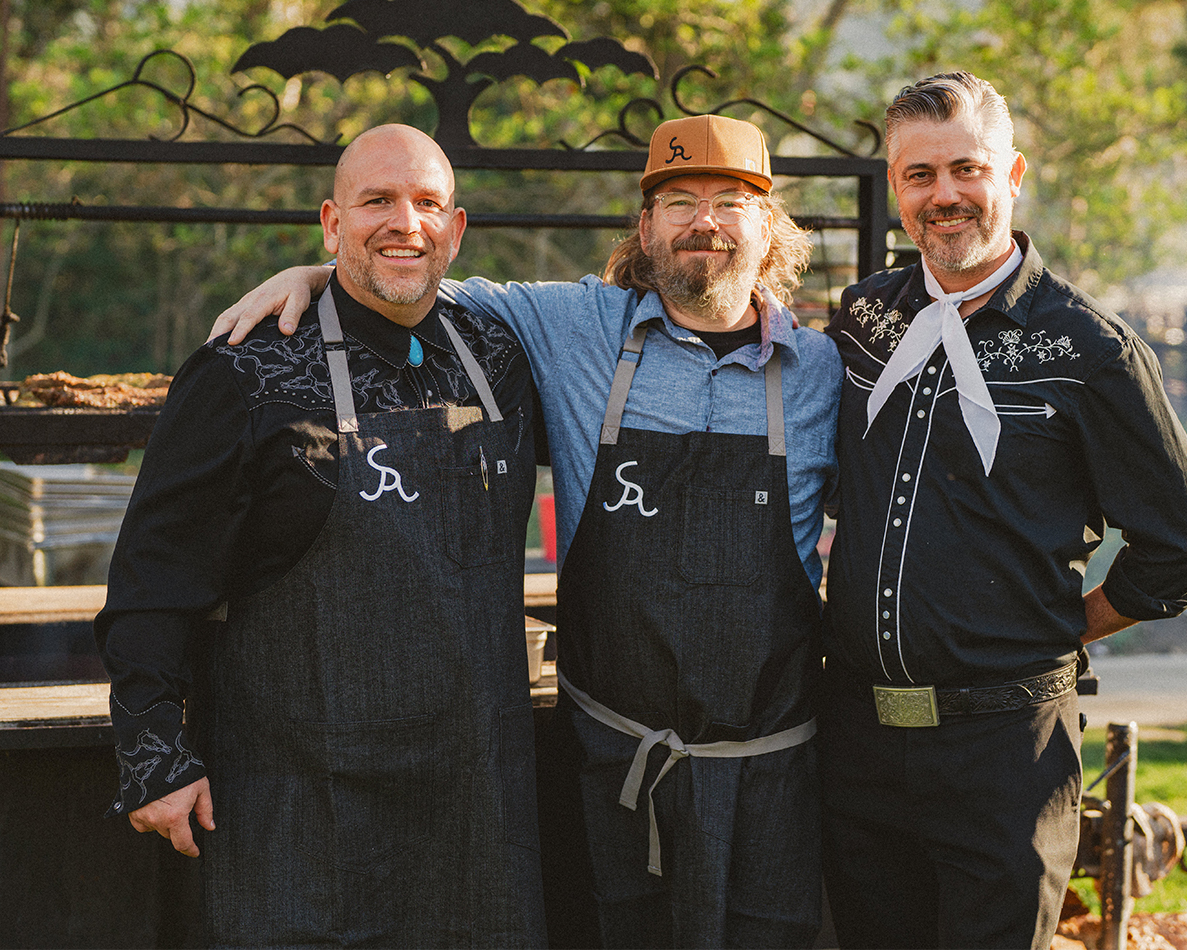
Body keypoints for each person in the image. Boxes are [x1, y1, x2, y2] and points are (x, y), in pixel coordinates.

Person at [211, 113, 842, 949]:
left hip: (771, 776)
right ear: (646, 228)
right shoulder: (572, 328)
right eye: (679, 201)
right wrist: (314, 273)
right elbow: (408, 269)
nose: (705, 222)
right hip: (612, 768)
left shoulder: (827, 373)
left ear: (769, 227)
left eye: (731, 201)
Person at [96, 124, 546, 947]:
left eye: (427, 204)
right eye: (377, 201)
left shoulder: (502, 356)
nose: (405, 222)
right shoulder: (244, 368)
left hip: (476, 798)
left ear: (456, 228)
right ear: (332, 225)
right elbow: (154, 578)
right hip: (302, 802)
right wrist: (154, 754)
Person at [819, 71, 1187, 949]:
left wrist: (1056, 630)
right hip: (857, 739)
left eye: (967, 168)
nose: (945, 195)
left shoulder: (1090, 349)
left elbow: (1182, 548)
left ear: (1013, 173)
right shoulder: (861, 318)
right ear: (895, 188)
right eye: (920, 175)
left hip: (1004, 751)